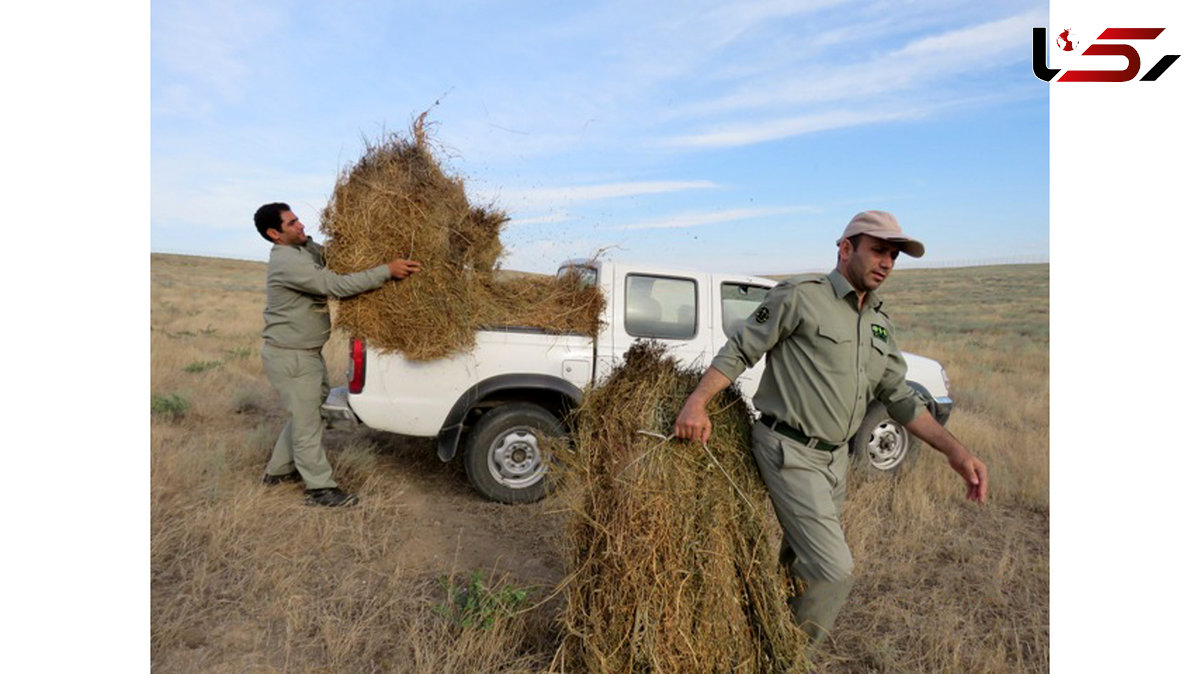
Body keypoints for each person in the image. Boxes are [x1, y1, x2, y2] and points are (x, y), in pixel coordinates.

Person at [673, 210, 988, 645]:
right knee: (833, 570)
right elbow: (742, 348)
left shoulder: (879, 321)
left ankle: (763, 628)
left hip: (834, 459)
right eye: (878, 250)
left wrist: (955, 451)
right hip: (789, 449)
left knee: (800, 560)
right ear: (845, 249)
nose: (887, 263)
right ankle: (788, 659)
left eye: (894, 256)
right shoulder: (801, 296)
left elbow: (898, 396)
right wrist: (696, 403)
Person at [254, 202, 421, 507]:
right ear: (274, 234)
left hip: (305, 354)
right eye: (292, 223)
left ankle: (277, 473)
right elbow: (337, 285)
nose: (301, 225)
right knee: (307, 424)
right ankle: (319, 489)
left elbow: (334, 257)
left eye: (298, 219)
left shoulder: (302, 250)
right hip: (291, 357)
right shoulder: (286, 262)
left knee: (309, 414)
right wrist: (386, 271)